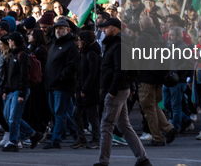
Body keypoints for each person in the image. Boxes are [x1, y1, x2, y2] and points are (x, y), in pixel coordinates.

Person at [94, 18, 152, 166]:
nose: (103, 31)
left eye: (105, 28)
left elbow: (121, 69)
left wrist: (112, 91)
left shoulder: (119, 46)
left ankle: (103, 161)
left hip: (117, 90)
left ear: (114, 29)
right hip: (120, 89)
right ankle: (142, 158)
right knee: (124, 126)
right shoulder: (116, 44)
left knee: (106, 125)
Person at [135, 16, 177, 146]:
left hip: (146, 79)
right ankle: (169, 129)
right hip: (159, 79)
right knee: (154, 106)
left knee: (148, 108)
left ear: (141, 26)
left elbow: (135, 59)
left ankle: (158, 137)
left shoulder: (142, 39)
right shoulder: (159, 38)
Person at [2, 32, 43, 152]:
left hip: (18, 91)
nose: (8, 43)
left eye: (9, 41)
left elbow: (23, 75)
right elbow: (9, 74)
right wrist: (5, 90)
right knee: (9, 116)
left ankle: (13, 141)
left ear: (13, 42)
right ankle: (33, 134)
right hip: (11, 90)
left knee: (13, 117)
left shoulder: (22, 55)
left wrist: (21, 93)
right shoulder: (12, 55)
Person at [43, 19, 78, 149]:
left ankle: (56, 140)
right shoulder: (53, 43)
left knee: (59, 113)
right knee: (59, 112)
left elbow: (71, 66)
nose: (58, 30)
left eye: (62, 28)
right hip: (51, 84)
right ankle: (76, 134)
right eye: (57, 28)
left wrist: (60, 77)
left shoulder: (70, 45)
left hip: (62, 85)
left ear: (68, 30)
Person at [72, 30, 101, 149]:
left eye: (80, 40)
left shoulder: (91, 54)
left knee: (92, 116)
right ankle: (81, 137)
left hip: (90, 90)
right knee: (76, 113)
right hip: (82, 89)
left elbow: (92, 74)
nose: (78, 42)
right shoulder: (83, 53)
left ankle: (96, 139)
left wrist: (85, 89)